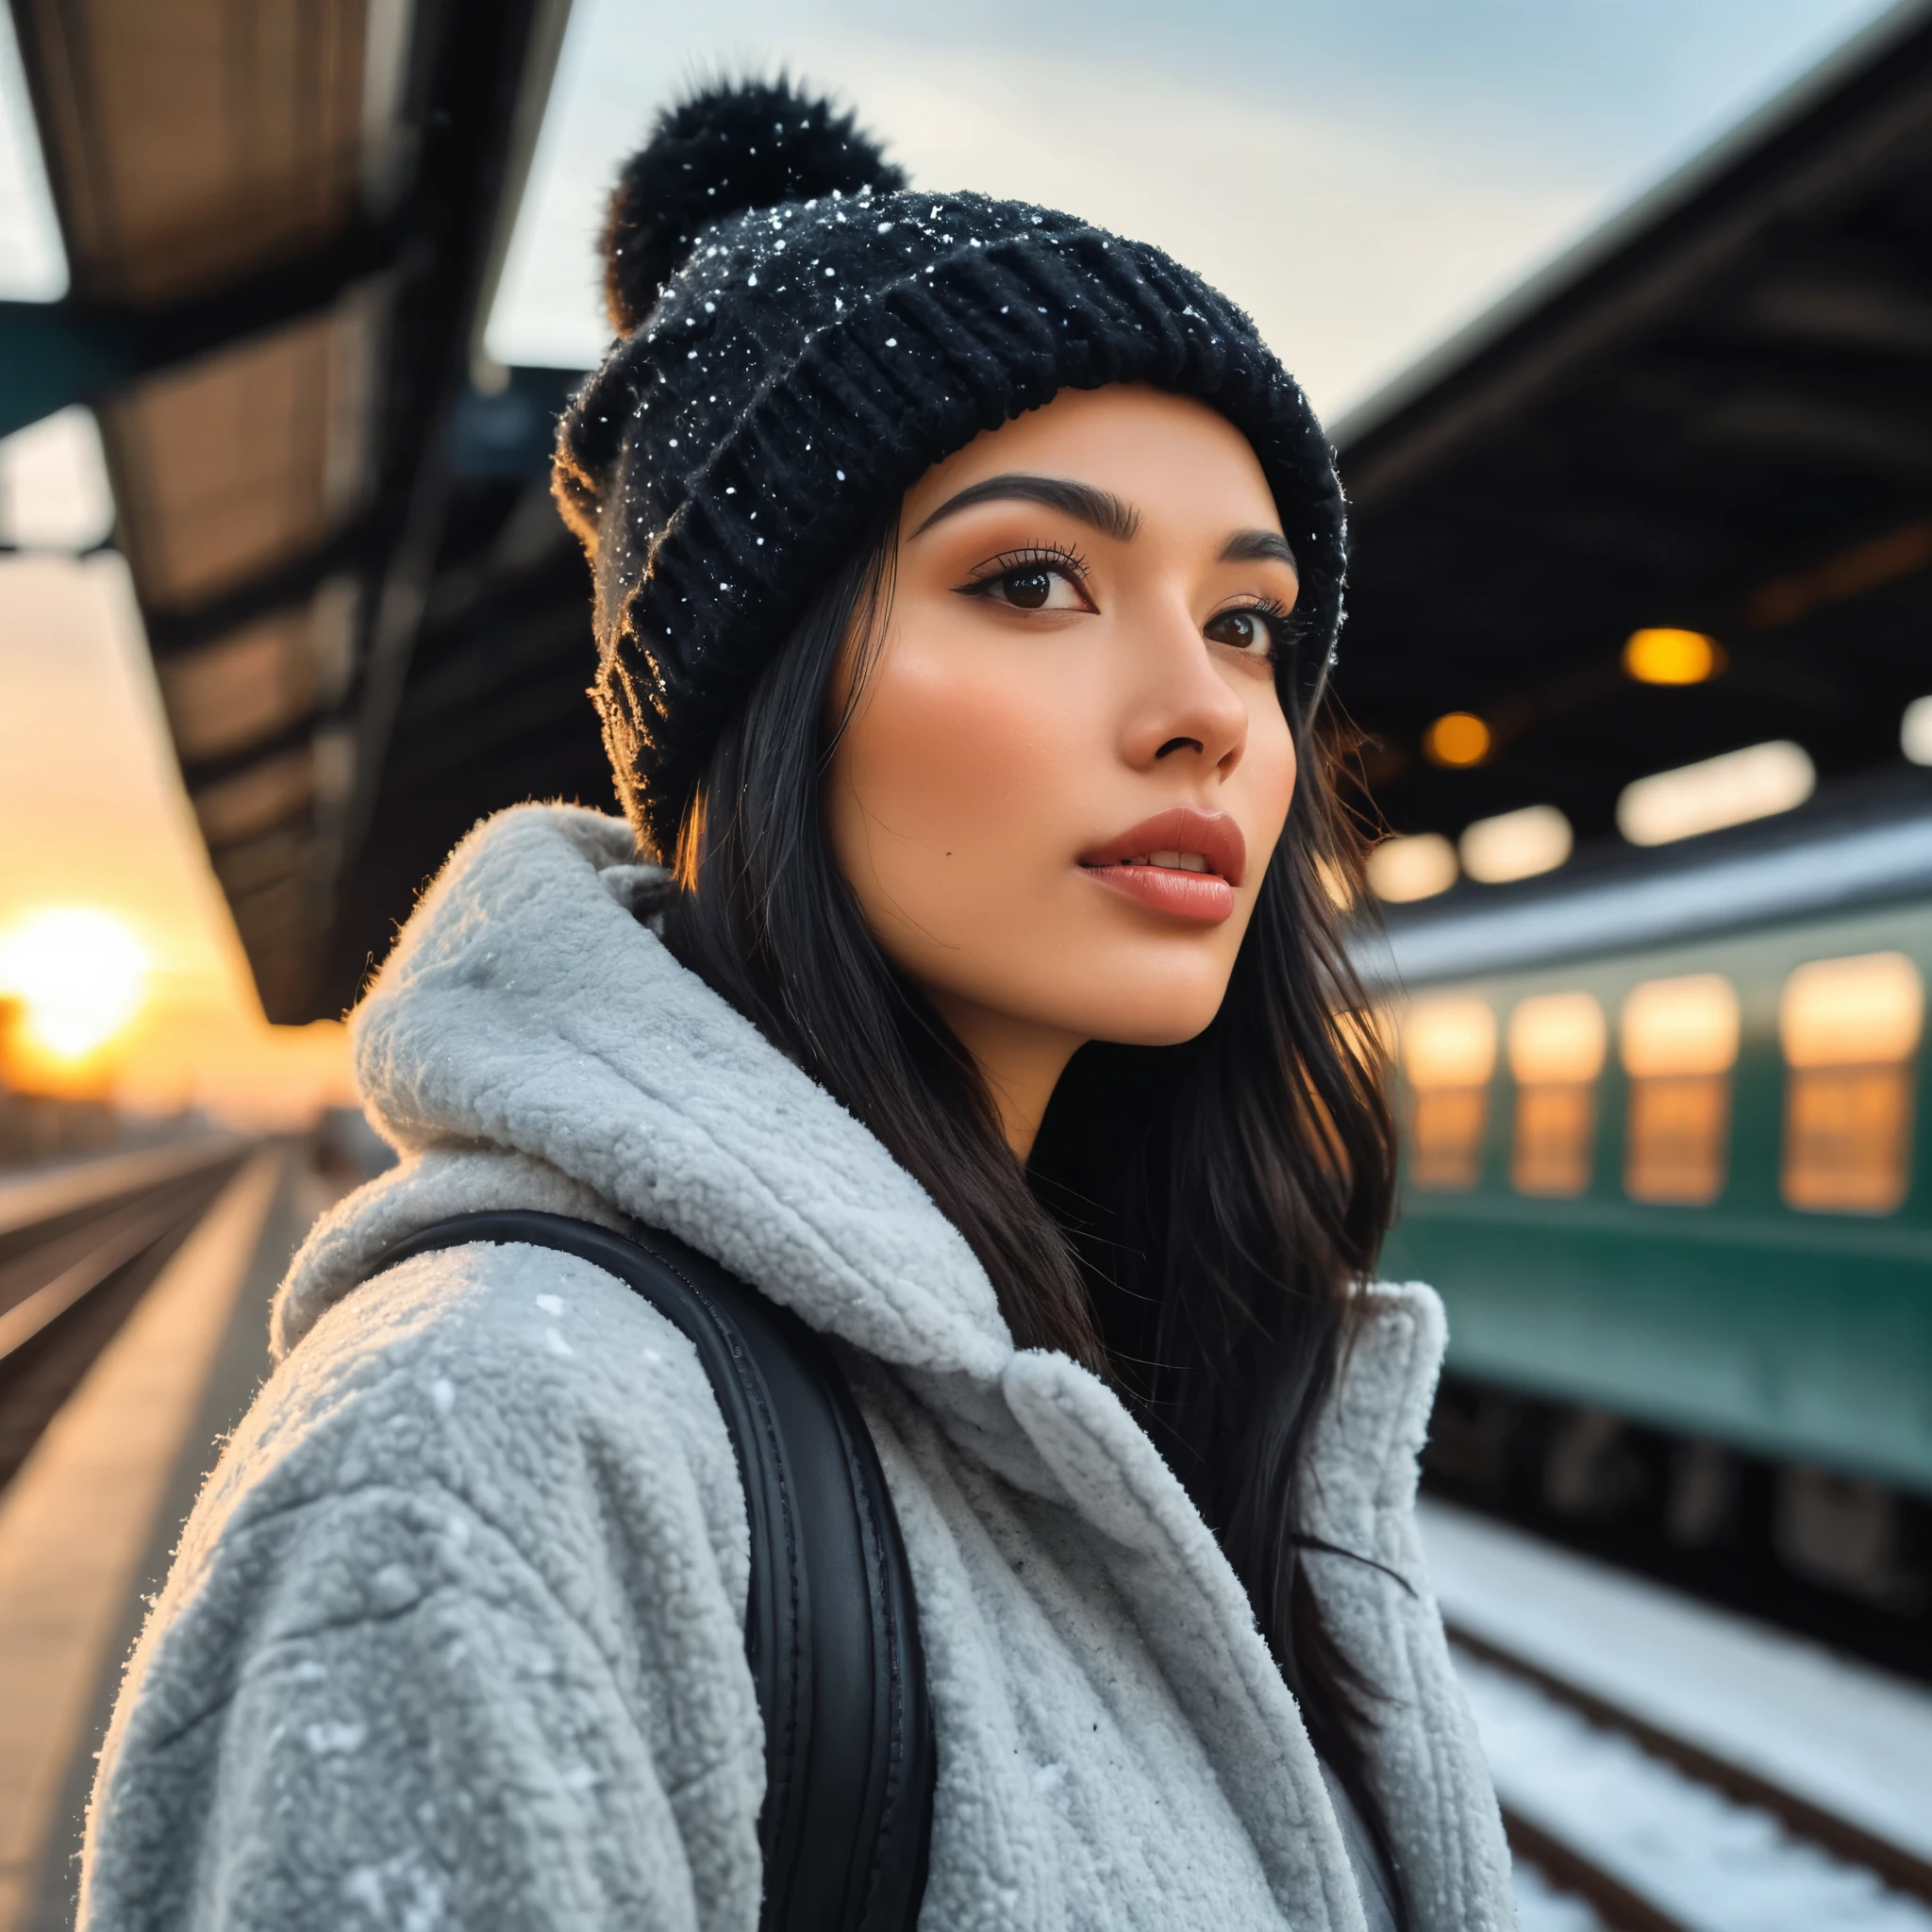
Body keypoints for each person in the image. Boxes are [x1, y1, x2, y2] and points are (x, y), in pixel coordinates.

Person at [80, 79, 1512, 1932]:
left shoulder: (1207, 1396)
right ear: (752, 705)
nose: (1210, 710)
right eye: (1030, 580)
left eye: (1248, 619)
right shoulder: (487, 1450)